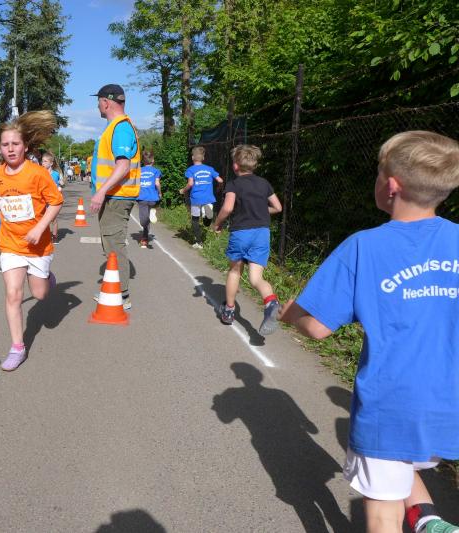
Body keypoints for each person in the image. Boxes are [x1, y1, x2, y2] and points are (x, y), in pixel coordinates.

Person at [280, 131, 459, 533]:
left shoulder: (364, 246)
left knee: (383, 511)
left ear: (391, 186)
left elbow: (318, 327)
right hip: (450, 401)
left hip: (391, 404)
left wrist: (291, 315)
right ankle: (429, 520)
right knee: (411, 466)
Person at [0, 111, 63, 372]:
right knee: (13, 294)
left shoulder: (38, 174)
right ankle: (17, 347)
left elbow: (56, 202)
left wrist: (40, 227)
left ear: (25, 146)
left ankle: (48, 279)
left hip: (37, 245)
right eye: (5, 144)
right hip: (11, 243)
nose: (10, 149)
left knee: (39, 294)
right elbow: (0, 200)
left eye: (15, 144)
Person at [212, 144, 282, 335]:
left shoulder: (234, 184)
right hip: (262, 233)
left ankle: (229, 310)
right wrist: (259, 210)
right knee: (256, 278)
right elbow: (277, 207)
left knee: (235, 271)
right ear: (254, 164)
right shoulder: (264, 183)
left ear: (235, 165)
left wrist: (217, 223)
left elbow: (227, 208)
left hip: (242, 232)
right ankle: (271, 302)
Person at [89, 83, 141, 310]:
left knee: (114, 243)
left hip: (117, 196)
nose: (97, 106)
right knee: (110, 242)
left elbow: (123, 166)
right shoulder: (116, 127)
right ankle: (116, 290)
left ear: (105, 102)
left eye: (98, 101)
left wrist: (101, 191)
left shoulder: (120, 128)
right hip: (114, 196)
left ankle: (121, 294)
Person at [181, 146, 223, 249]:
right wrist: (219, 187)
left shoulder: (190, 170)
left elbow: (190, 184)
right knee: (207, 221)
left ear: (192, 157)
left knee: (195, 220)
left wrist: (183, 190)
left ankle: (199, 243)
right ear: (203, 158)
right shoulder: (209, 169)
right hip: (208, 197)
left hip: (196, 198)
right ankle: (207, 214)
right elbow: (220, 180)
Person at [136, 150, 161, 248]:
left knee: (143, 221)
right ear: (153, 160)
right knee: (147, 220)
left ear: (143, 161)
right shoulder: (156, 171)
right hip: (152, 198)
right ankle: (145, 239)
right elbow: (157, 183)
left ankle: (145, 238)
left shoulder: (139, 171)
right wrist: (159, 193)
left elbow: (136, 183)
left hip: (142, 198)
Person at [41, 151, 63, 244]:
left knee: (53, 219)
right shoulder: (40, 173)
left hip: (53, 199)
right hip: (42, 199)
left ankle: (54, 236)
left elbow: (61, 183)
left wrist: (60, 184)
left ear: (51, 163)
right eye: (42, 161)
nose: (43, 163)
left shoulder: (55, 174)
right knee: (43, 218)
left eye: (45, 161)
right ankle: (44, 236)